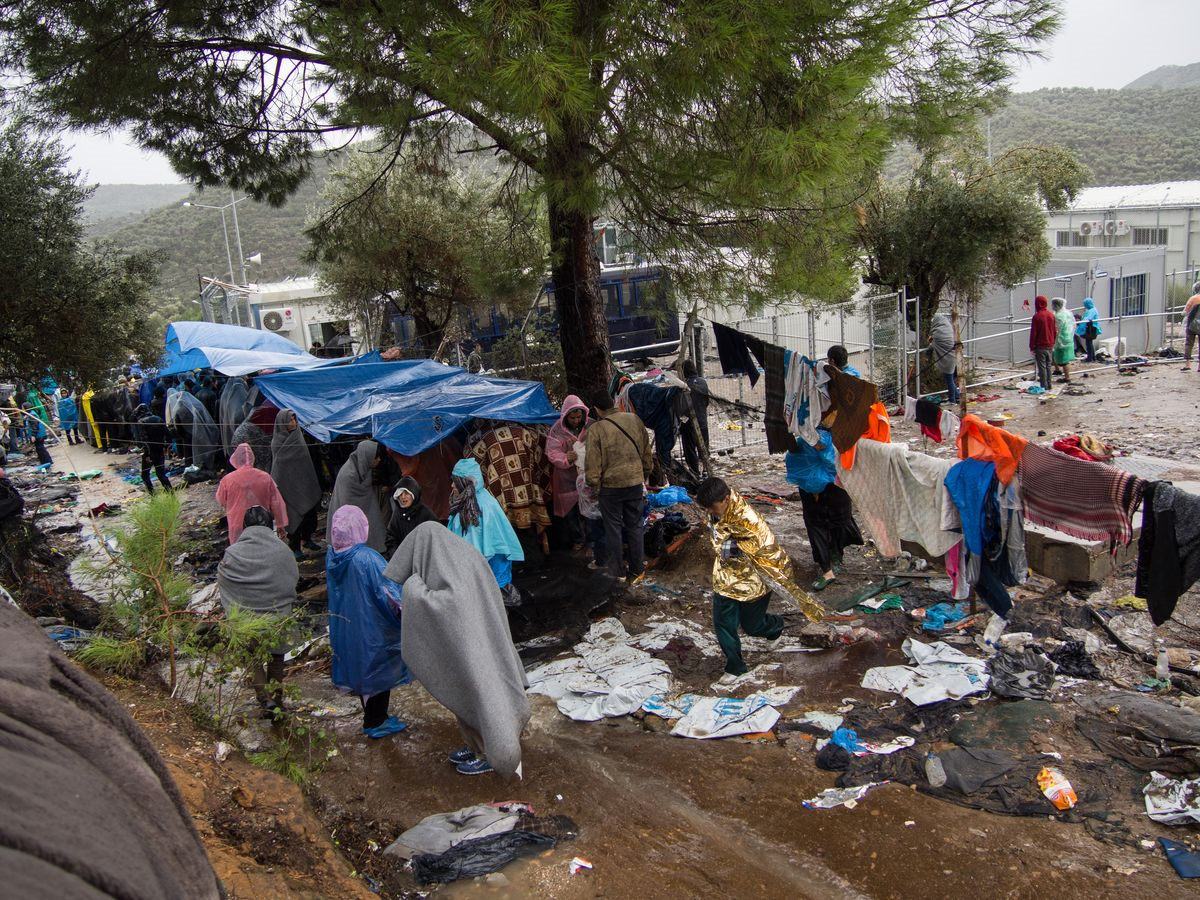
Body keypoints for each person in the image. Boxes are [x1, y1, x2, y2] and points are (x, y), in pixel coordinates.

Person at [383, 522, 530, 778]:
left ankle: (488, 753)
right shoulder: (460, 556)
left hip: (476, 649)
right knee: (470, 693)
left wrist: (414, 589)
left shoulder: (456, 565)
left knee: (483, 694)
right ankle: (475, 745)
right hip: (481, 641)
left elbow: (448, 604)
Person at [695, 477, 804, 684]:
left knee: (752, 625)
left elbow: (758, 549)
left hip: (754, 580)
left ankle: (775, 627)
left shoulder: (748, 520)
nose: (709, 511)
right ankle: (735, 667)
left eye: (712, 507)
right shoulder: (719, 513)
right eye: (707, 508)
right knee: (723, 623)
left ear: (726, 499)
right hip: (726, 579)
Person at [327, 505, 410, 738]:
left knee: (364, 671)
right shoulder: (367, 558)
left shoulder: (333, 556)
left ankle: (375, 717)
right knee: (378, 672)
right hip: (372, 627)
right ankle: (375, 722)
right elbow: (391, 593)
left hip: (348, 625)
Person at [216, 506, 299, 717]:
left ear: (244, 526)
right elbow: (292, 580)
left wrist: (237, 609)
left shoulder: (232, 554)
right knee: (276, 657)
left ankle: (264, 699)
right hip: (277, 617)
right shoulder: (283, 550)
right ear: (270, 525)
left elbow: (225, 582)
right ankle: (277, 699)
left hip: (246, 619)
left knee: (252, 658)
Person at [584, 390, 652, 583]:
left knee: (612, 528)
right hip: (634, 482)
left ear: (597, 409)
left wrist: (594, 485)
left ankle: (618, 571)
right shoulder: (634, 420)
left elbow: (592, 465)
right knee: (635, 526)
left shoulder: (596, 430)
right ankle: (638, 568)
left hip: (610, 488)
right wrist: (644, 473)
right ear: (613, 402)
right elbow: (647, 452)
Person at [784, 428, 863, 591]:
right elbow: (795, 463)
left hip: (835, 487)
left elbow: (839, 463)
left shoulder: (837, 440)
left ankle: (836, 555)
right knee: (816, 527)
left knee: (840, 521)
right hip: (814, 491)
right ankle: (826, 570)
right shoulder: (803, 443)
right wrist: (813, 484)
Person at [448, 457, 525, 604]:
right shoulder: (476, 500)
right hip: (490, 571)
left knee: (491, 607)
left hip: (490, 571)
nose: (452, 485)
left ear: (466, 483)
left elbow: (473, 550)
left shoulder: (476, 508)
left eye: (455, 481)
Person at [270, 409, 323, 556]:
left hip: (304, 483)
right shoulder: (277, 442)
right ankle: (295, 547)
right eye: (290, 420)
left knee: (309, 516)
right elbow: (279, 467)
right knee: (293, 516)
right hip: (288, 486)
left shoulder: (299, 437)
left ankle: (307, 539)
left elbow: (305, 462)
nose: (293, 423)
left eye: (294, 420)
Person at [216, 443, 289, 545]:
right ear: (252, 457)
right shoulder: (265, 477)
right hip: (262, 522)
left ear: (235, 459)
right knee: (264, 551)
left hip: (238, 524)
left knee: (241, 553)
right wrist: (280, 524)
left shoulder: (227, 480)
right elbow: (277, 503)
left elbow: (221, 500)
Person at [545, 395, 592, 550]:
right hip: (566, 480)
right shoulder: (557, 430)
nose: (576, 420)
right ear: (565, 416)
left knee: (590, 512)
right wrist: (566, 457)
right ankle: (578, 540)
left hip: (588, 477)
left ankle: (591, 542)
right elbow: (552, 452)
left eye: (579, 417)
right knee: (571, 514)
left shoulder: (590, 426)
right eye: (572, 417)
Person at [327, 439, 389, 553]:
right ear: (368, 457)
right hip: (349, 516)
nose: (379, 460)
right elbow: (347, 504)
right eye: (376, 457)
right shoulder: (348, 475)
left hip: (366, 509)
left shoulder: (364, 467)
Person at [385, 476, 438, 557]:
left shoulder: (425, 513)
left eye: (406, 493)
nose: (403, 497)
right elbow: (391, 537)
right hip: (402, 560)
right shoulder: (397, 513)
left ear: (414, 494)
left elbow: (436, 537)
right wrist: (396, 555)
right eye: (400, 494)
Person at [678, 360, 711, 476]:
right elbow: (706, 402)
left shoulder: (683, 386)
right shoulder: (702, 382)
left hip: (689, 423)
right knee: (704, 447)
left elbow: (680, 406)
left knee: (690, 448)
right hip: (702, 420)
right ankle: (706, 470)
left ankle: (694, 471)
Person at [133, 404, 172, 493]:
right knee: (161, 474)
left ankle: (153, 495)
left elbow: (143, 440)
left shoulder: (141, 422)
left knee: (145, 475)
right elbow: (168, 435)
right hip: (160, 450)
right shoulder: (158, 418)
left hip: (149, 452)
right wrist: (166, 447)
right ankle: (171, 494)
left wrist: (147, 454)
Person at [928, 314, 959, 404]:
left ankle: (952, 400)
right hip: (954, 357)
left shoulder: (937, 333)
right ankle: (957, 397)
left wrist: (930, 341)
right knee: (952, 379)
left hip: (947, 359)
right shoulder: (949, 330)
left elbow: (932, 345)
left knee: (949, 379)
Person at [1029, 295, 1057, 391]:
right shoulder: (1051, 315)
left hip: (1040, 346)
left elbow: (1034, 333)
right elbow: (1054, 330)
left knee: (1042, 367)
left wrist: (1032, 346)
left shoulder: (1036, 317)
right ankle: (1049, 384)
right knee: (1049, 365)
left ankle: (1043, 386)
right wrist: (1053, 342)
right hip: (1050, 344)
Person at [1051, 296, 1076, 384]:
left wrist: (1054, 339)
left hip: (1061, 340)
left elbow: (1057, 329)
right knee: (1060, 357)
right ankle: (1059, 371)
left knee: (1064, 360)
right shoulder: (1068, 313)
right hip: (1068, 338)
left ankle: (1067, 377)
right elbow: (1074, 325)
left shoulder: (1058, 316)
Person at [1076, 296, 1102, 363]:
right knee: (1090, 343)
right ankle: (1092, 357)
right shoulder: (1094, 309)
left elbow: (1086, 319)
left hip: (1091, 328)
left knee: (1088, 343)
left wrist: (1079, 322)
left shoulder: (1091, 311)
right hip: (1093, 328)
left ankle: (1090, 358)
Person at [1181, 282, 1200, 371]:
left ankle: (1187, 365)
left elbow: (1185, 312)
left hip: (1191, 325)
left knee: (1189, 344)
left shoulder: (1193, 298)